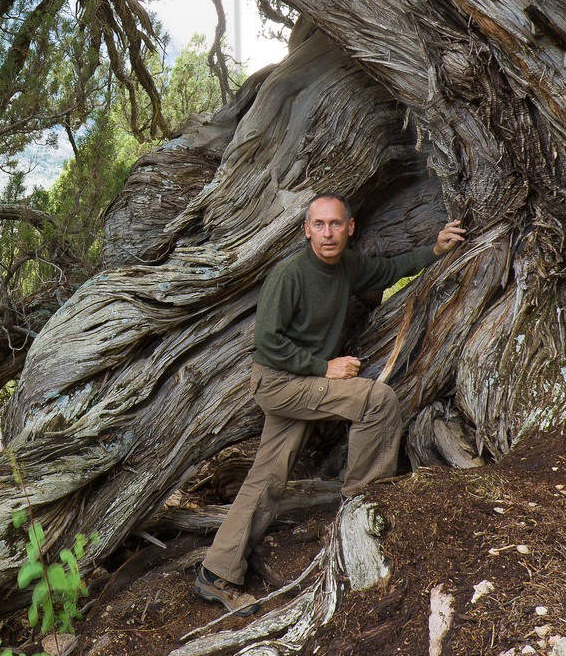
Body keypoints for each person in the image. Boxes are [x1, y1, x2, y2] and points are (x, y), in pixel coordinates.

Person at [195, 193, 467, 615]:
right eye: (319, 225)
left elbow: (390, 269)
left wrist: (435, 249)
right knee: (376, 400)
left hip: (301, 382)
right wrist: (324, 368)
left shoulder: (347, 267)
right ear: (306, 230)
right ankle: (362, 509)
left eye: (336, 224)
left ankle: (216, 572)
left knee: (268, 477)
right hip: (279, 382)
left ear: (349, 228)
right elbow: (267, 342)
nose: (327, 233)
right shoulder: (289, 275)